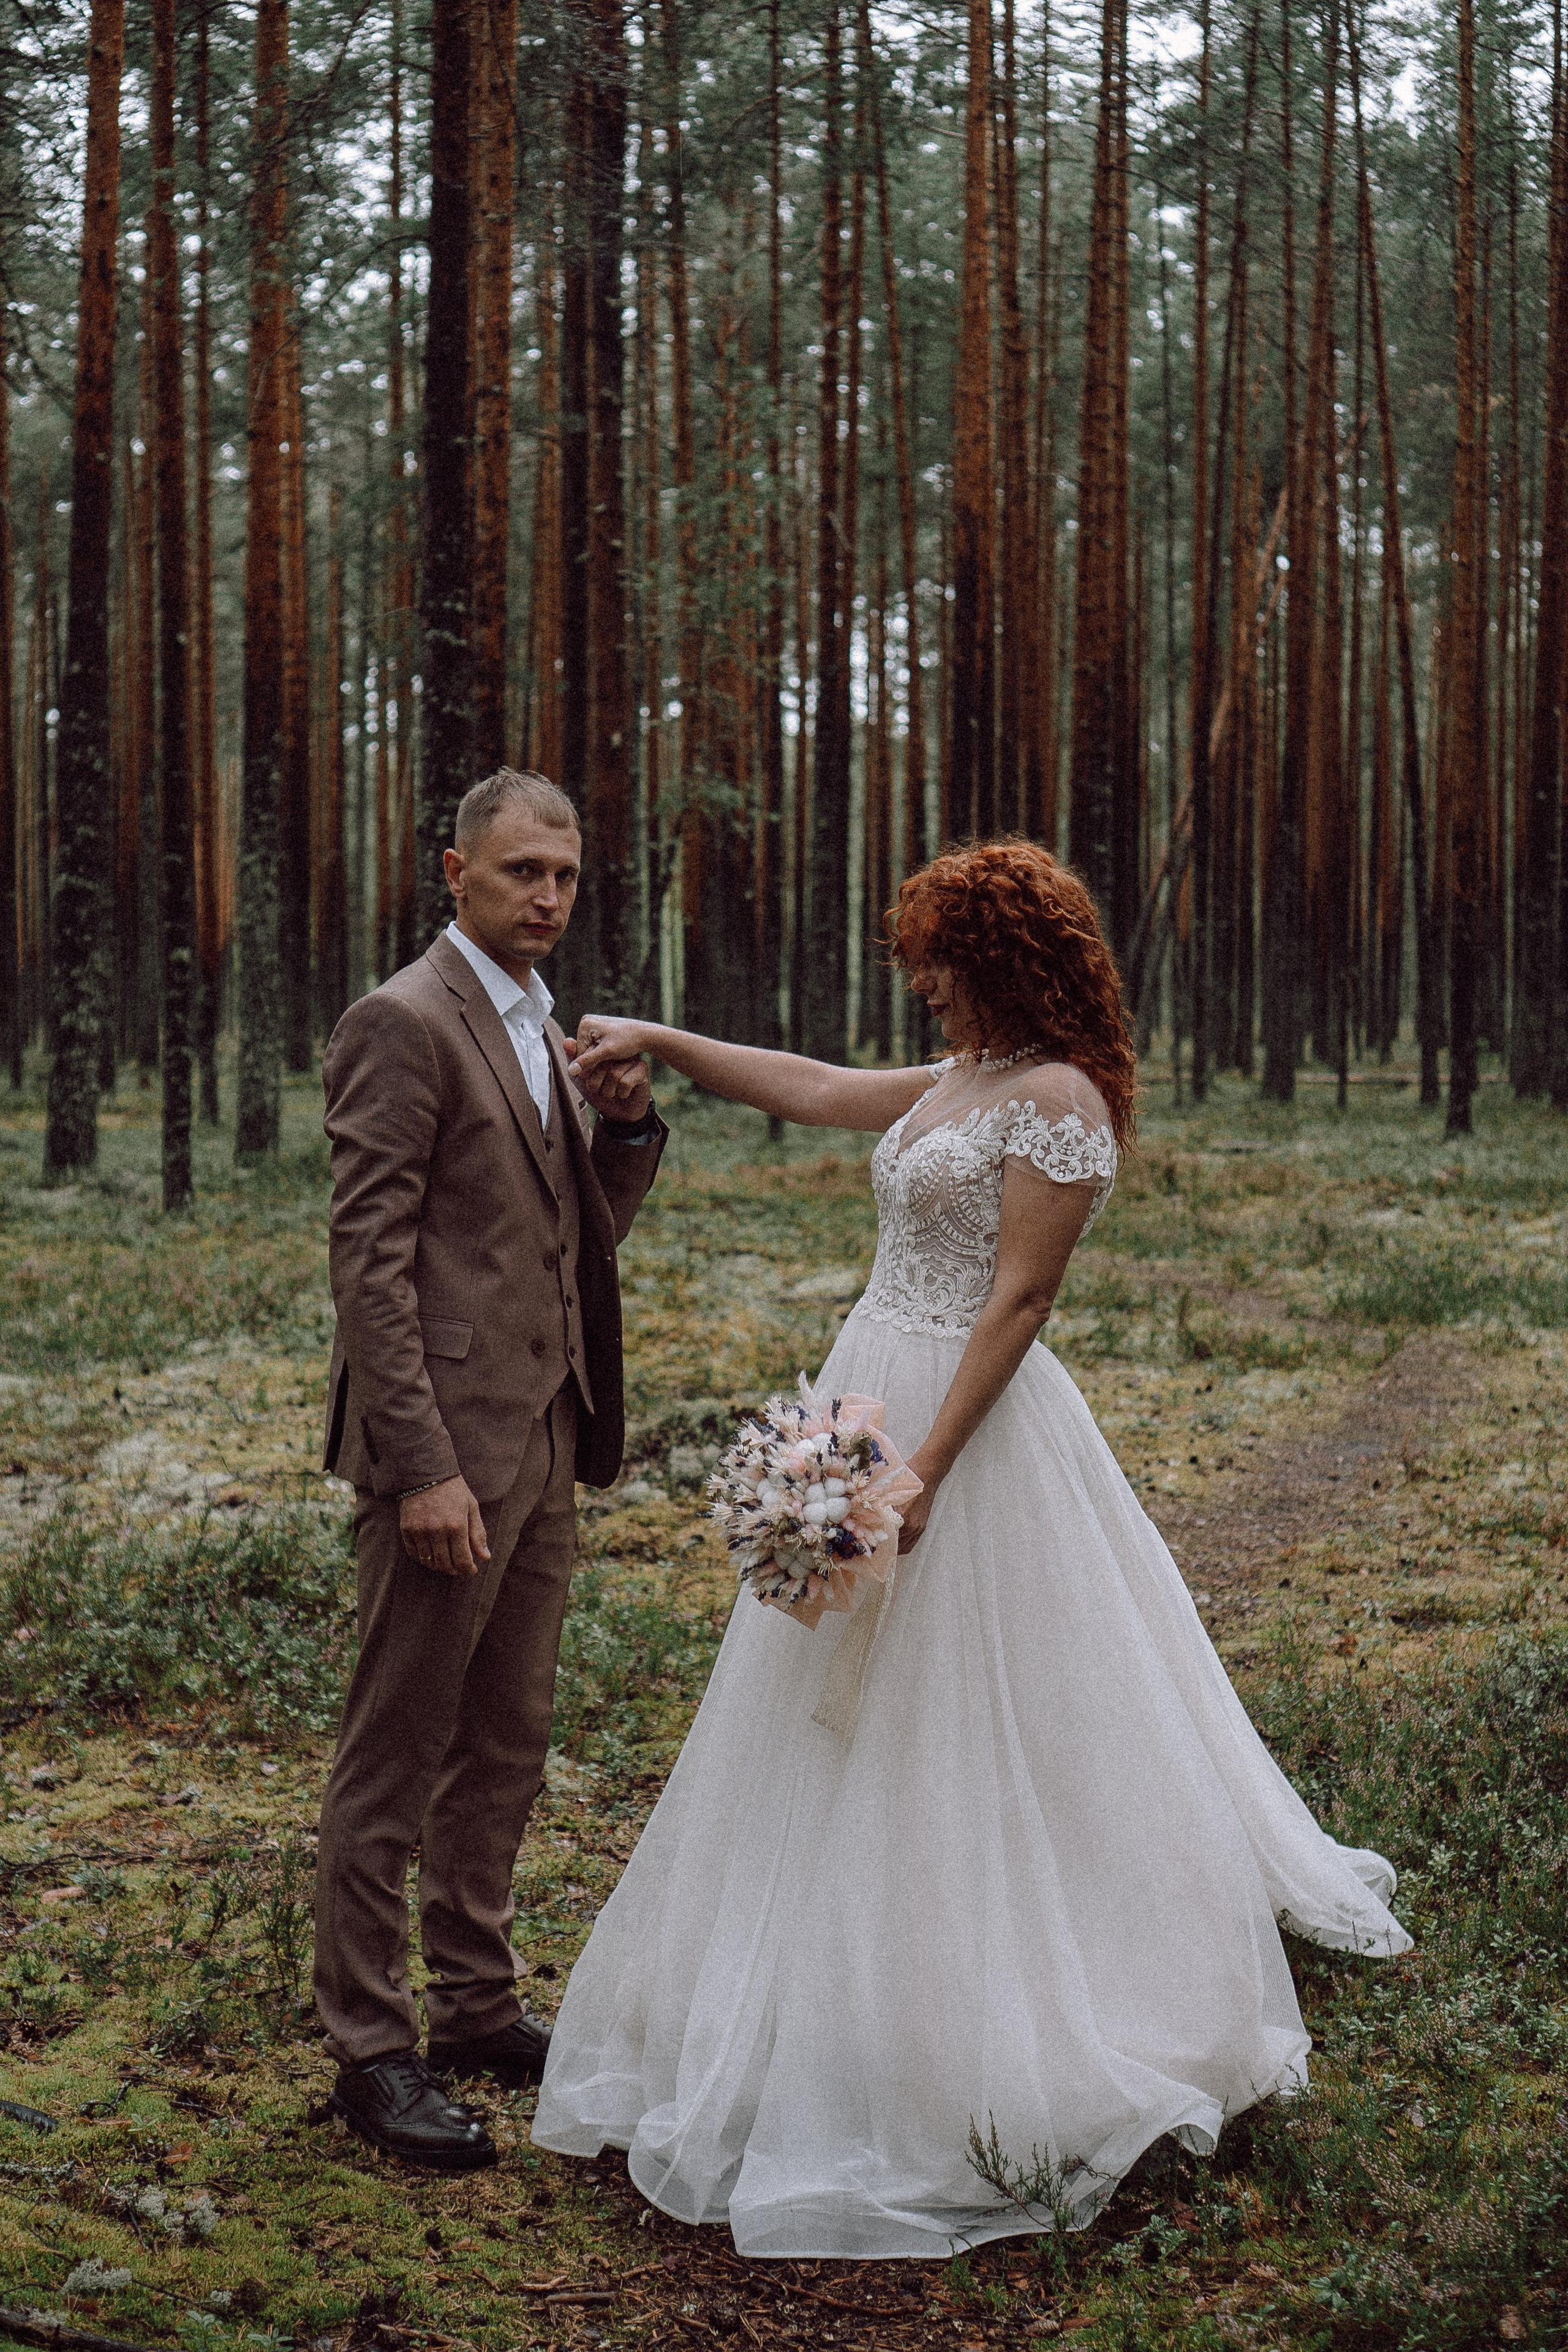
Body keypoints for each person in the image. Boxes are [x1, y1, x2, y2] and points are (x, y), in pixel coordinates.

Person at [532, 838, 1411, 2258]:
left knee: (977, 1700)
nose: (921, 984)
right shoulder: (961, 1079)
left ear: (999, 958)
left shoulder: (1058, 1100)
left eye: (936, 960)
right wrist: (666, 1043)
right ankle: (821, 1974)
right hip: (862, 1391)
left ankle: (998, 1992)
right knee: (817, 1683)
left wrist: (926, 1465)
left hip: (963, 1423)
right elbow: (813, 1087)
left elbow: (1019, 1299)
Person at [314, 768, 666, 2172]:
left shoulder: (540, 1025)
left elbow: (571, 1234)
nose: (549, 896)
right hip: (447, 1457)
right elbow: (370, 1267)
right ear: (453, 871)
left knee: (506, 1743)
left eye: (565, 875)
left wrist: (623, 1129)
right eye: (523, 871)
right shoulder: (402, 1021)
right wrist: (421, 1470)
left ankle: (472, 2003)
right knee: (394, 1750)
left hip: (546, 1439)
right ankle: (369, 2049)